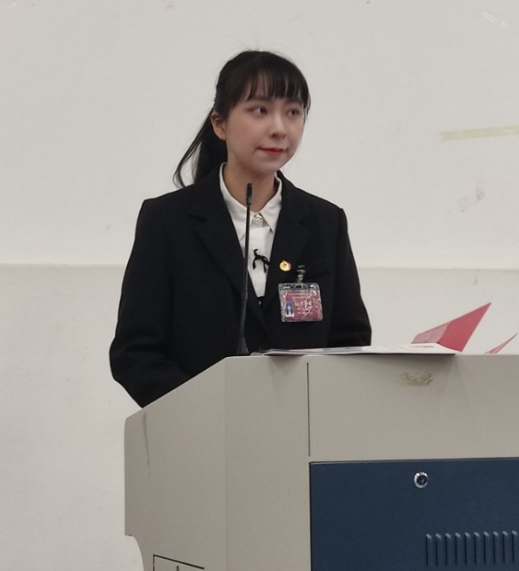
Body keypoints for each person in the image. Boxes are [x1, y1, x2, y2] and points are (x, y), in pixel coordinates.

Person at [109, 50, 371, 407]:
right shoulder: (167, 220)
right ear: (220, 124)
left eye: (293, 112)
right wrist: (206, 410)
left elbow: (350, 343)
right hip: (199, 427)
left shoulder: (326, 222)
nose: (279, 128)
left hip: (300, 427)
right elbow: (135, 353)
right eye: (260, 110)